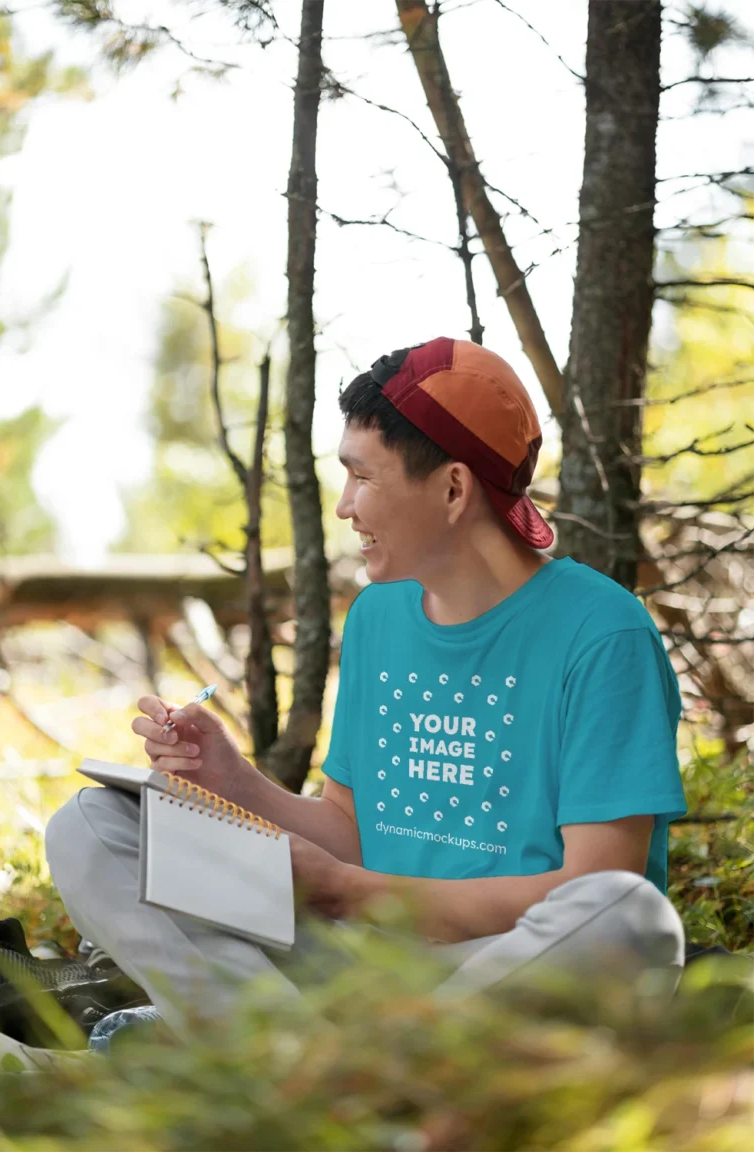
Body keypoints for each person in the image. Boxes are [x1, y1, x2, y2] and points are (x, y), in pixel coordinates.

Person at [46, 337, 687, 1028]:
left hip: (503, 967)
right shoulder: (380, 616)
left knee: (627, 915)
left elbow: (594, 885)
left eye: (362, 477)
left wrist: (353, 894)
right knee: (90, 827)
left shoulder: (601, 633)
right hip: (357, 959)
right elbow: (354, 831)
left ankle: (290, 1060)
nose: (346, 506)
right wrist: (233, 781)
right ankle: (294, 1055)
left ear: (453, 488)